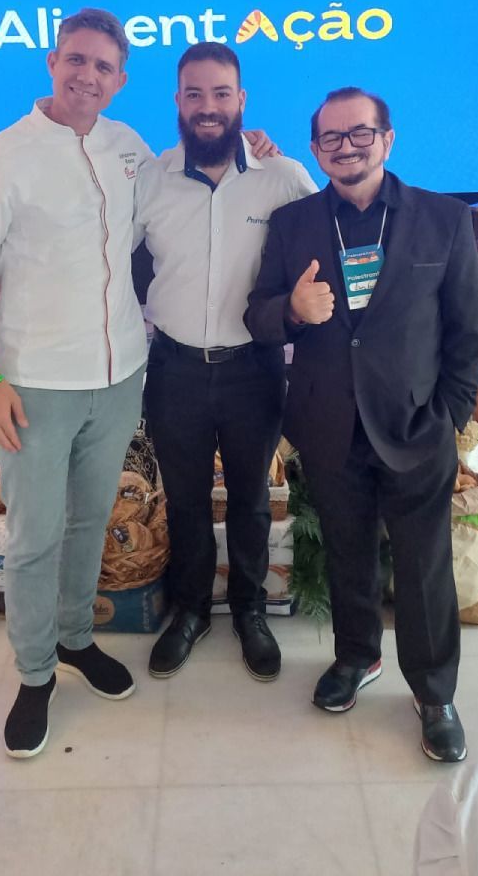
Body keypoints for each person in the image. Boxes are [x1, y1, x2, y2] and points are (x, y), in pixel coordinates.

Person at [244, 87, 478, 763]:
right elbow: (257, 317)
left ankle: (434, 691)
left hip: (416, 425)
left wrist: (449, 417)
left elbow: (470, 331)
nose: (346, 148)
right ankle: (357, 657)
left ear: (387, 138)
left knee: (424, 567)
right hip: (328, 424)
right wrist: (291, 310)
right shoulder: (293, 224)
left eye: (361, 134)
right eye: (331, 138)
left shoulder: (443, 219)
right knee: (349, 554)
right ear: (315, 148)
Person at [0, 8, 150, 760]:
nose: (87, 75)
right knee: (33, 538)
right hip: (33, 383)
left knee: (88, 522)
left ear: (120, 79)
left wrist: (259, 150)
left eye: (103, 66)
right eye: (76, 59)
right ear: (50, 60)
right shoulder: (1, 155)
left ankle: (74, 639)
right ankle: (35, 675)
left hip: (119, 374)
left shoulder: (127, 146)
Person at [135, 42, 316, 682]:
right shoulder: (148, 180)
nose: (207, 108)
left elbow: (322, 259)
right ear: (178, 102)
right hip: (176, 369)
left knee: (251, 500)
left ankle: (248, 608)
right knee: (184, 500)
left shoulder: (285, 178)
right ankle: (189, 610)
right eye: (194, 95)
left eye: (220, 95)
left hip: (254, 368)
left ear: (242, 101)